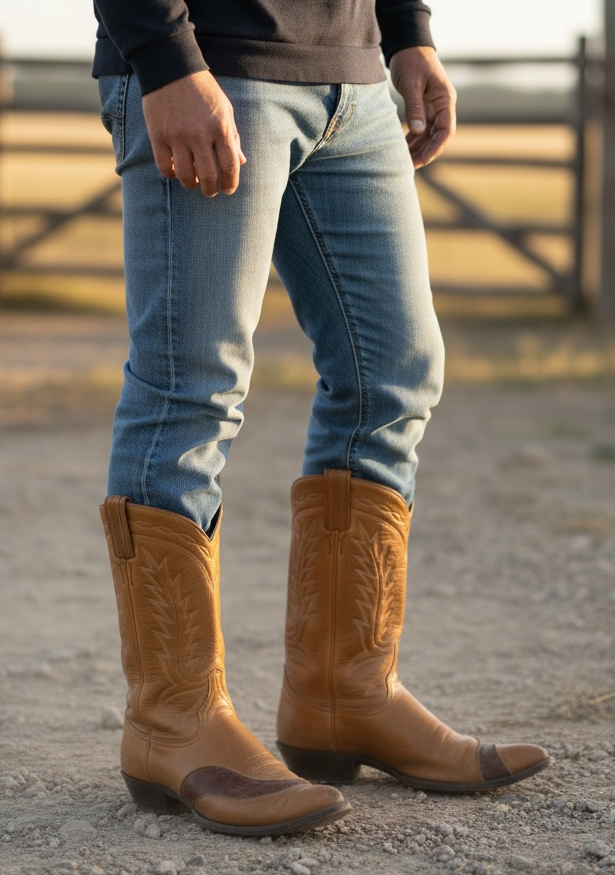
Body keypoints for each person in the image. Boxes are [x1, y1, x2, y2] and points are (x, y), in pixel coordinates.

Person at [93, 0, 551, 838]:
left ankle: (344, 694)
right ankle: (172, 720)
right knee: (190, 387)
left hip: (354, 73)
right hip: (213, 62)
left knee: (394, 374)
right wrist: (162, 54)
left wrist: (407, 32)